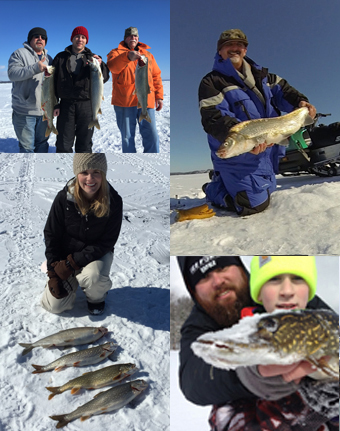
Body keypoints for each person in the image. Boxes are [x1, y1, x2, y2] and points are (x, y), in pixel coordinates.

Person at [177, 256, 338, 431]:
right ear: (193, 291)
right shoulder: (198, 324)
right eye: (203, 277)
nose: (217, 281)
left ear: (239, 267)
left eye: (222, 268)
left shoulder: (286, 295)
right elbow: (192, 382)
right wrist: (249, 373)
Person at [199, 29, 317, 216]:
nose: (234, 49)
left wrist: (301, 103)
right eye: (228, 45)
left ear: (245, 50)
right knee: (251, 205)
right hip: (239, 157)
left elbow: (286, 92)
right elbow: (213, 118)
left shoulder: (265, 78)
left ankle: (223, 180)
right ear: (220, 51)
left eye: (239, 45)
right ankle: (214, 189)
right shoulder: (211, 82)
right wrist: (244, 142)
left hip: (265, 153)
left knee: (268, 190)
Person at [41, 153, 123, 315]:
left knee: (94, 277)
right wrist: (53, 273)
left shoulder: (113, 200)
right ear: (77, 173)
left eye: (96, 172)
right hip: (65, 257)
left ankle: (96, 298)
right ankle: (68, 279)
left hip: (96, 254)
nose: (90, 179)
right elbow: (51, 234)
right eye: (84, 172)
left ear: (103, 174)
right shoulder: (63, 198)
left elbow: (107, 241)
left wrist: (73, 263)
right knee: (55, 306)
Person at [52, 26, 110, 153]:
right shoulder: (60, 57)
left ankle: (82, 168)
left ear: (86, 41)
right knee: (63, 143)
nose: (80, 39)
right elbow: (52, 83)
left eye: (83, 37)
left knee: (84, 144)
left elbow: (104, 78)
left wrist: (101, 64)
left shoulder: (93, 58)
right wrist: (55, 104)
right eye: (77, 36)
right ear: (72, 39)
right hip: (66, 105)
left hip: (87, 105)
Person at [107, 26, 163, 153]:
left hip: (146, 100)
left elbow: (156, 76)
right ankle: (131, 163)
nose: (133, 38)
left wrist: (159, 96)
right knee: (127, 138)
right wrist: (127, 57)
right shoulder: (115, 53)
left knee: (152, 137)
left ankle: (153, 161)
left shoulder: (148, 55)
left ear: (138, 38)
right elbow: (113, 67)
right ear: (125, 38)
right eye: (130, 36)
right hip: (124, 102)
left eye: (135, 36)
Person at [8, 27, 52, 153]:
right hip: (25, 111)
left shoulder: (48, 58)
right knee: (27, 148)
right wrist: (35, 68)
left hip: (44, 112)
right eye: (36, 36)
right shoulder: (19, 53)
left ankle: (41, 171)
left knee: (42, 144)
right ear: (30, 39)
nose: (40, 39)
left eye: (43, 37)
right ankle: (28, 172)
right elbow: (12, 73)